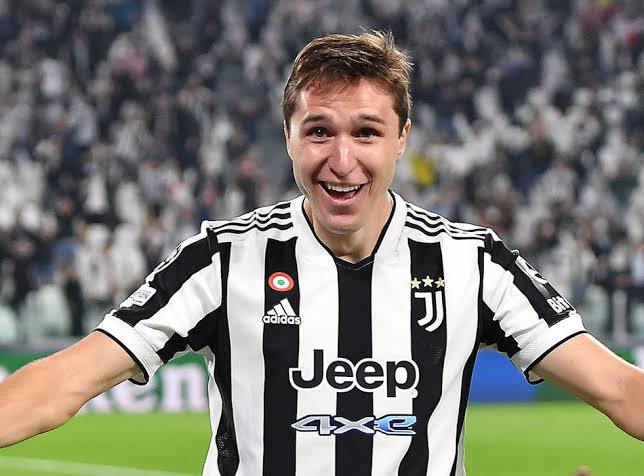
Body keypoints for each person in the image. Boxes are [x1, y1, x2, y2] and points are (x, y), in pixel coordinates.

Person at [1, 31, 643, 476]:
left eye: (366, 132)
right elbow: (65, 382)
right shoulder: (222, 260)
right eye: (318, 131)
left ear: (401, 140)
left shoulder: (473, 264)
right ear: (288, 138)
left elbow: (620, 390)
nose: (342, 160)